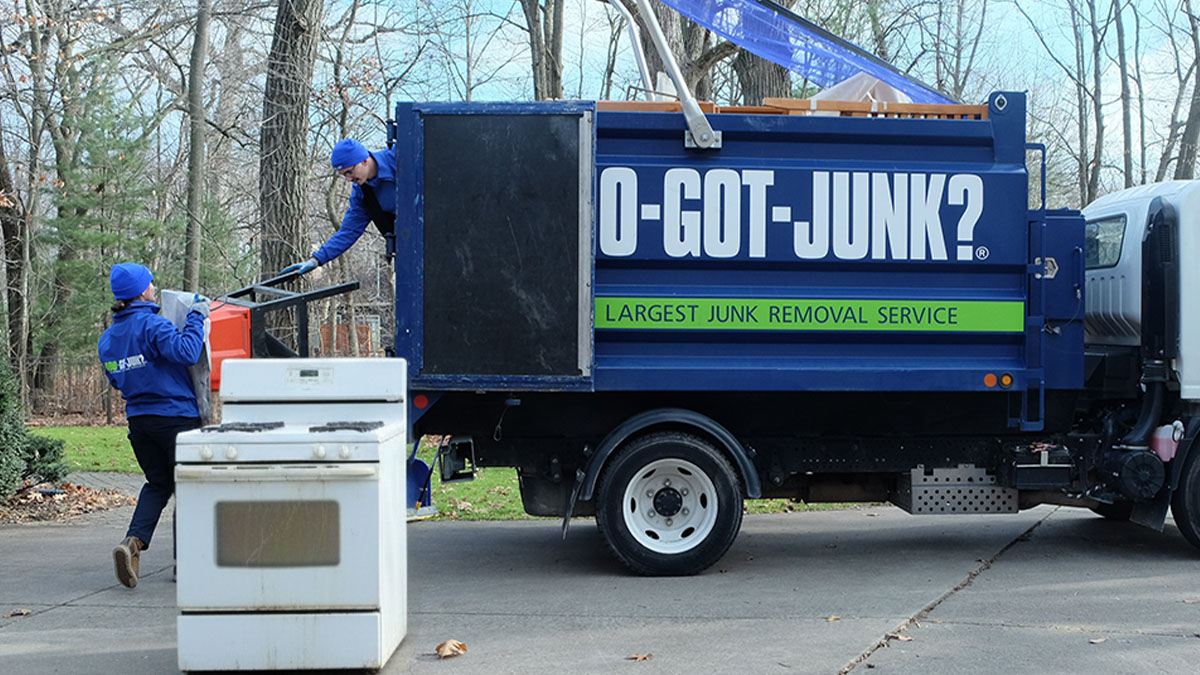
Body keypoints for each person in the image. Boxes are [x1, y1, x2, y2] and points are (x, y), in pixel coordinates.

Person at [98, 262, 208, 588]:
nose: (153, 287)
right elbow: (188, 352)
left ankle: (132, 542)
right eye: (150, 283)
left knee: (158, 484)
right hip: (176, 418)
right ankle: (186, 564)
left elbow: (117, 381)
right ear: (141, 291)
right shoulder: (152, 325)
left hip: (139, 422)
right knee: (189, 487)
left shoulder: (107, 339)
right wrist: (196, 316)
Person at [281, 138, 397, 276]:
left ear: (364, 160)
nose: (348, 179)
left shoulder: (399, 157)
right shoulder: (363, 194)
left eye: (349, 172)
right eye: (343, 175)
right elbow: (349, 231)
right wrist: (316, 260)